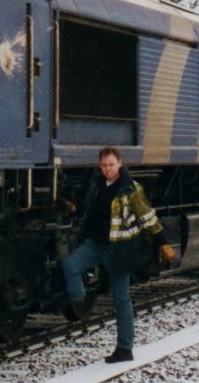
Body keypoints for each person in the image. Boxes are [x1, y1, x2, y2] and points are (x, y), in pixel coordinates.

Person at [61, 146, 176, 363]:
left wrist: (163, 244)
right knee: (70, 266)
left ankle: (124, 348)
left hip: (119, 251)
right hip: (96, 245)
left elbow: (148, 217)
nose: (108, 170)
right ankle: (78, 298)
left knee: (121, 298)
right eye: (104, 166)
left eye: (111, 165)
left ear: (120, 164)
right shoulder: (96, 185)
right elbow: (89, 210)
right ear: (99, 166)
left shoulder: (130, 189)